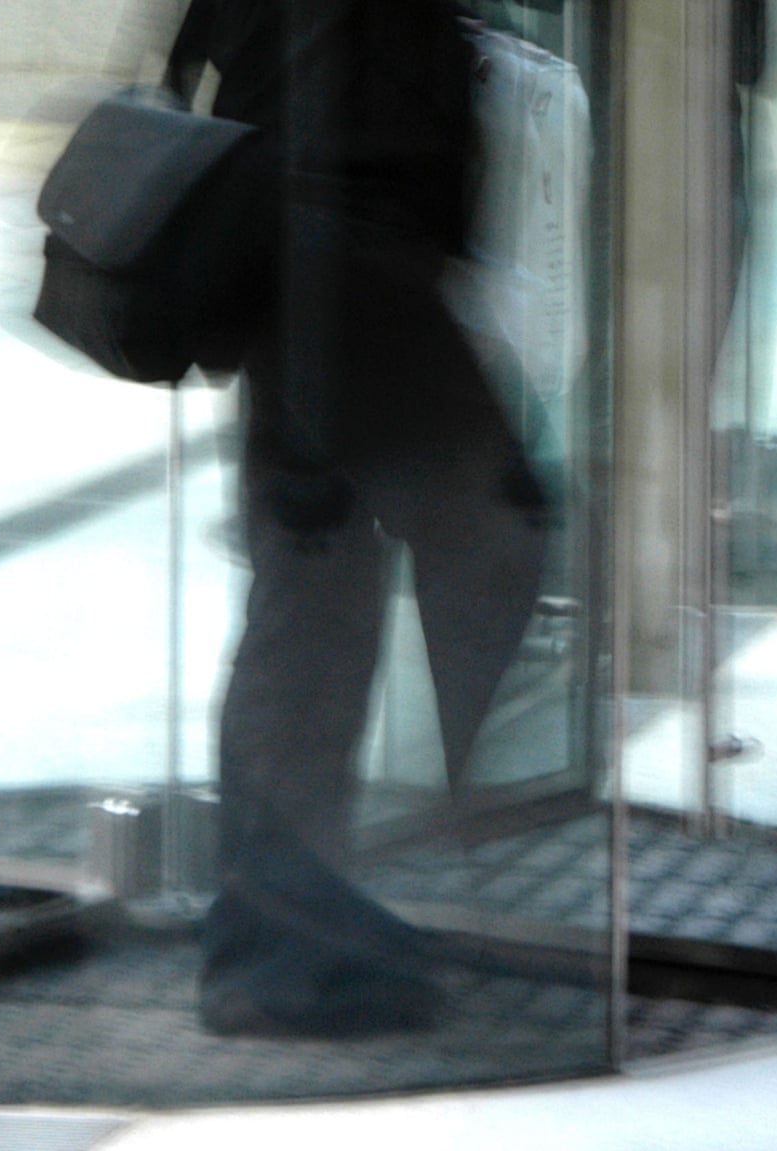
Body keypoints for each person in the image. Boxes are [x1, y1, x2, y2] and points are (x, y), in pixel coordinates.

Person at [166, 0, 549, 1036]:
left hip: (349, 256)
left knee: (326, 591)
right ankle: (274, 935)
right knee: (420, 552)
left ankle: (296, 910)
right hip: (334, 259)